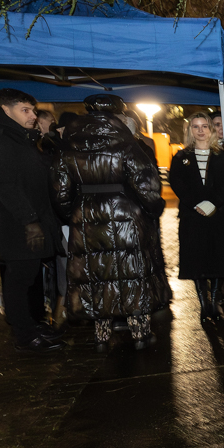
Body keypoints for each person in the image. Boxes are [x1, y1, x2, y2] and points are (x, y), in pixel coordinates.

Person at [52, 94, 170, 352]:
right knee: (131, 272)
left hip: (86, 215)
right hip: (125, 213)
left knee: (95, 274)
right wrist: (153, 209)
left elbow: (60, 190)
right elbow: (146, 184)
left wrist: (73, 213)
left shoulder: (69, 146)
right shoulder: (126, 143)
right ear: (118, 112)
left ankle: (101, 336)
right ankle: (140, 333)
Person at [0, 89, 64, 351]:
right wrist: (29, 221)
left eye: (32, 110)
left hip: (30, 220)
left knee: (27, 278)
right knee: (18, 280)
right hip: (16, 225)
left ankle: (30, 325)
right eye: (25, 110)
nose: (32, 115)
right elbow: (4, 186)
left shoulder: (21, 139)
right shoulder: (0, 141)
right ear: (6, 110)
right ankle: (24, 335)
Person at [168, 112, 224, 322]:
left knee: (216, 260)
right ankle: (203, 305)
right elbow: (177, 183)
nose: (200, 131)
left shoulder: (223, 155)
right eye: (195, 127)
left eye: (204, 126)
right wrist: (197, 204)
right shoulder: (181, 157)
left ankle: (214, 303)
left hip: (218, 216)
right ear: (190, 130)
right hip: (193, 217)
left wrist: (213, 203)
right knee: (197, 262)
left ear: (211, 129)